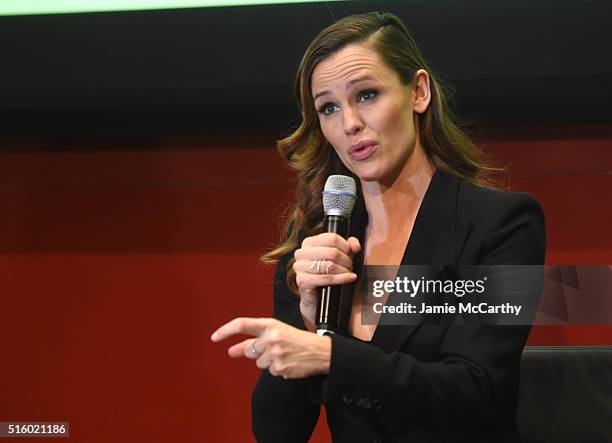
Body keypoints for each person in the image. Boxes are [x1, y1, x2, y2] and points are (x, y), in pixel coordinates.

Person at [211, 11, 545, 442]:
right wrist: (307, 324)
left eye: (366, 95)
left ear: (418, 91)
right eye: (328, 107)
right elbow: (276, 431)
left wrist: (332, 356)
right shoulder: (317, 243)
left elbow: (473, 394)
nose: (349, 122)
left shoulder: (501, 224)